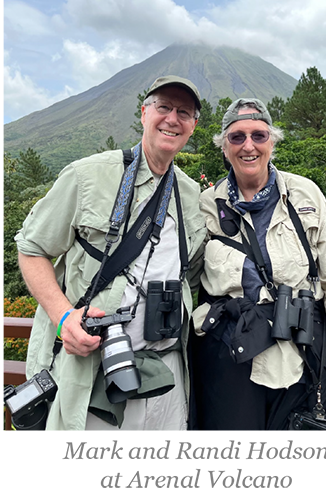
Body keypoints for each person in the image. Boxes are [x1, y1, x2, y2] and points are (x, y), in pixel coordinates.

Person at [15, 76, 207, 430]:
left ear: (193, 126)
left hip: (167, 375)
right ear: (144, 112)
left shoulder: (192, 195)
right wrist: (63, 318)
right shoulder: (88, 175)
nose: (172, 119)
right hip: (94, 375)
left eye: (184, 112)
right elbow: (31, 248)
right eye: (163, 107)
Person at [191, 98, 326, 430]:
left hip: (302, 364)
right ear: (224, 148)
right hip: (229, 368)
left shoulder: (305, 197)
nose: (248, 146)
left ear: (273, 143)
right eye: (237, 137)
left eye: (259, 135)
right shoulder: (205, 206)